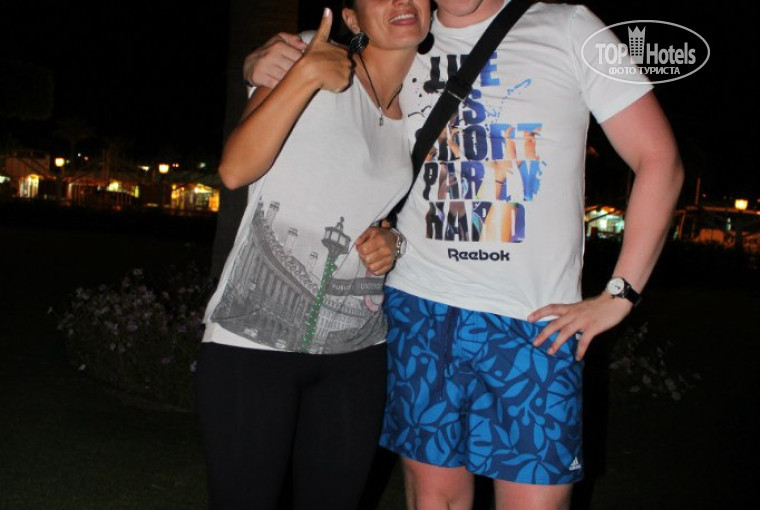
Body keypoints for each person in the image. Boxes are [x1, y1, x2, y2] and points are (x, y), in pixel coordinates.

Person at [242, 1, 685, 509]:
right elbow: (317, 62)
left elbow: (659, 159)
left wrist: (620, 294)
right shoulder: (403, 36)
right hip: (419, 311)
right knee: (434, 499)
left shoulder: (570, 28)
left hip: (534, 323)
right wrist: (256, 63)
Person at [196, 2, 431, 509]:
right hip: (251, 344)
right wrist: (303, 74)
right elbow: (235, 169)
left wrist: (395, 242)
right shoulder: (309, 52)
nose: (401, 2)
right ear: (351, 18)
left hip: (358, 352)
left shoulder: (422, 104)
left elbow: (401, 212)